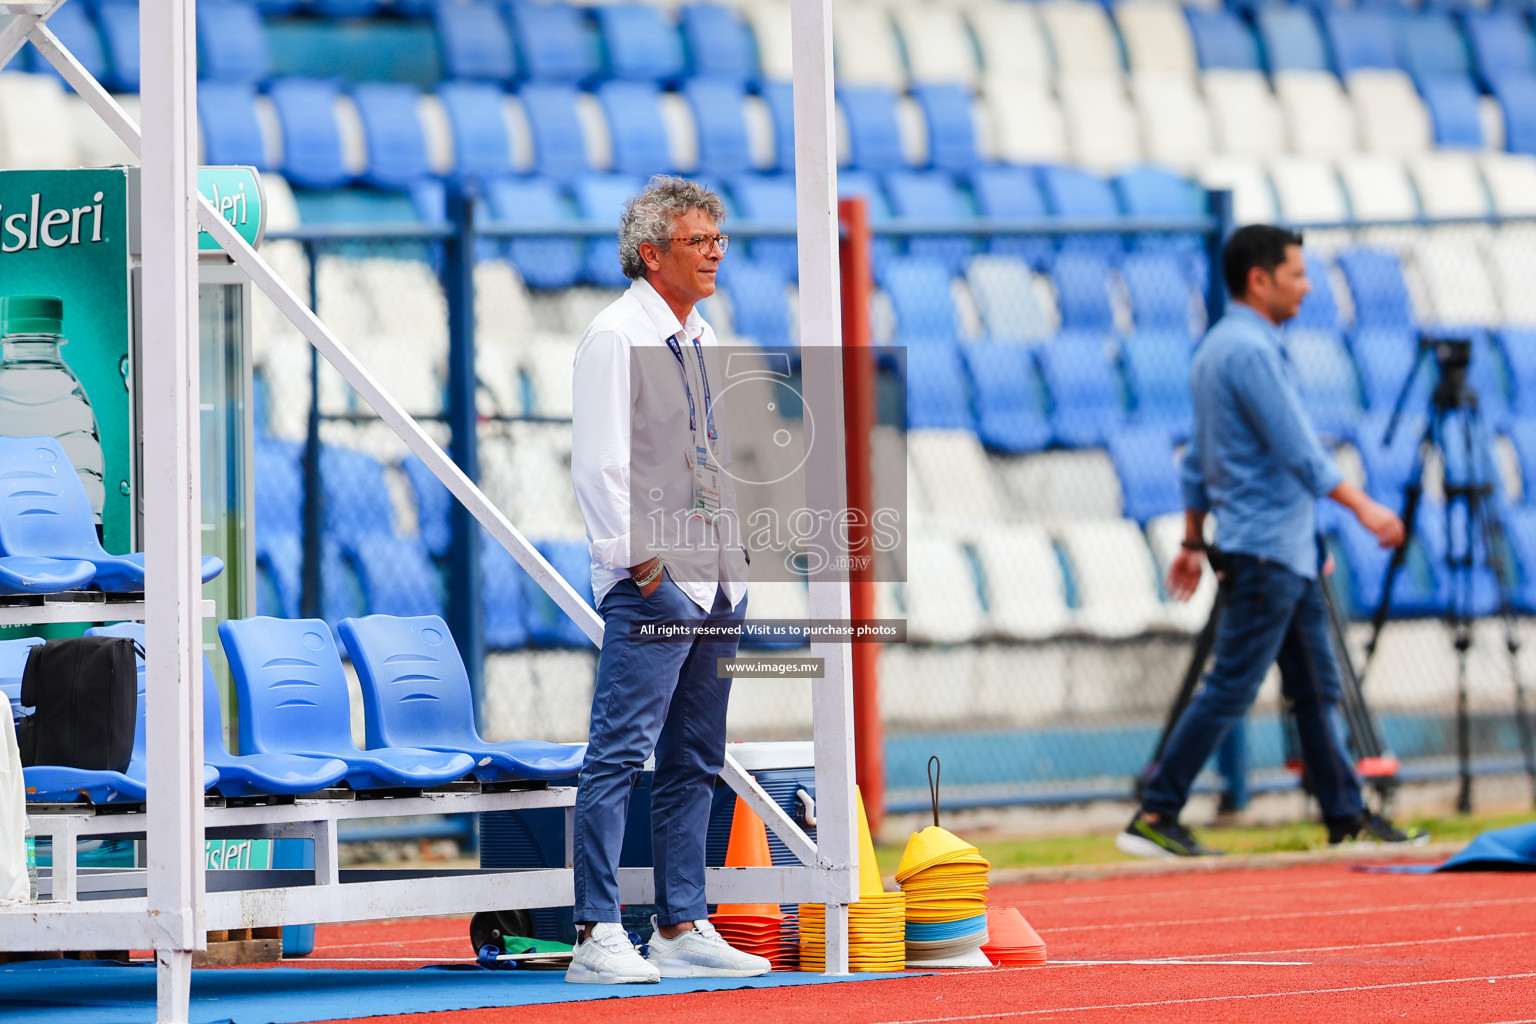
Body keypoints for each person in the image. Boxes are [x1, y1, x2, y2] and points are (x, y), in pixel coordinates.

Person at [1118, 225, 1428, 858]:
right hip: (1268, 551)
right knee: (1232, 685)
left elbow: (1196, 465)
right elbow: (1298, 450)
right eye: (1297, 274)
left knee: (1316, 687)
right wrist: (1366, 508)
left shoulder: (1215, 349)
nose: (1308, 286)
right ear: (1259, 280)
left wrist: (1194, 541)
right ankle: (1156, 810)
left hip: (1284, 548)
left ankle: (1346, 819)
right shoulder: (1251, 352)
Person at [565, 177, 770, 983]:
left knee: (696, 755)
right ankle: (593, 931)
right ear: (652, 253)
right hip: (656, 579)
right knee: (619, 750)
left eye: (720, 240)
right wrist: (643, 564)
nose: (715, 253)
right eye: (699, 241)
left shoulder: (703, 336)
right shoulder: (615, 338)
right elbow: (600, 464)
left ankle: (681, 922)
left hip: (715, 577)